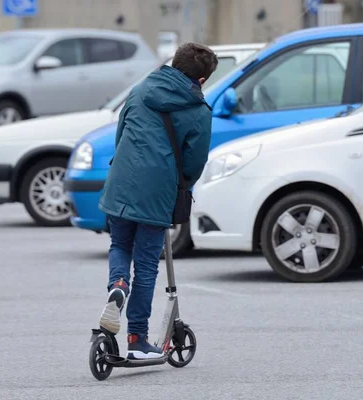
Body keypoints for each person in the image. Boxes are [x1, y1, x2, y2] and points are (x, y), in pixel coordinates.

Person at [97, 42, 218, 360]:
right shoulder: (198, 111)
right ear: (201, 79)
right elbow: (193, 163)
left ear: (172, 63)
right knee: (148, 264)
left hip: (120, 183)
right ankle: (137, 339)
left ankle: (118, 285)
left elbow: (121, 132)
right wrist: (181, 186)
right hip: (157, 191)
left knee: (120, 245)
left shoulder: (139, 90)